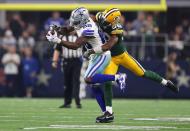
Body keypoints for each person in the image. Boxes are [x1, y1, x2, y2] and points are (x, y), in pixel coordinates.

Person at [84, 8, 179, 123]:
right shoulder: (101, 17)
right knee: (107, 82)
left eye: (107, 20)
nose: (104, 21)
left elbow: (108, 45)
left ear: (114, 21)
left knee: (142, 73)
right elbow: (93, 18)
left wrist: (92, 50)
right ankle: (109, 113)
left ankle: (165, 82)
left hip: (122, 55)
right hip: (110, 59)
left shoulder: (117, 28)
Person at [46, 7, 127, 120]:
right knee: (93, 85)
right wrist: (57, 29)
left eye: (76, 20)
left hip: (102, 55)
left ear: (83, 20)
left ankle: (118, 77)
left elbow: (75, 46)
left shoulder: (89, 29)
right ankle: (108, 114)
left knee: (88, 78)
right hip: (95, 56)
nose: (74, 22)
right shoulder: (83, 21)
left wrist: (57, 40)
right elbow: (68, 29)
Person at [52, 34, 82, 108]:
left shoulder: (80, 35)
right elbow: (57, 49)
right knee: (67, 82)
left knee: (76, 81)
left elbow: (85, 47)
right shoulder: (62, 36)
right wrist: (54, 61)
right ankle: (67, 102)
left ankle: (77, 102)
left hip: (77, 61)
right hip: (66, 61)